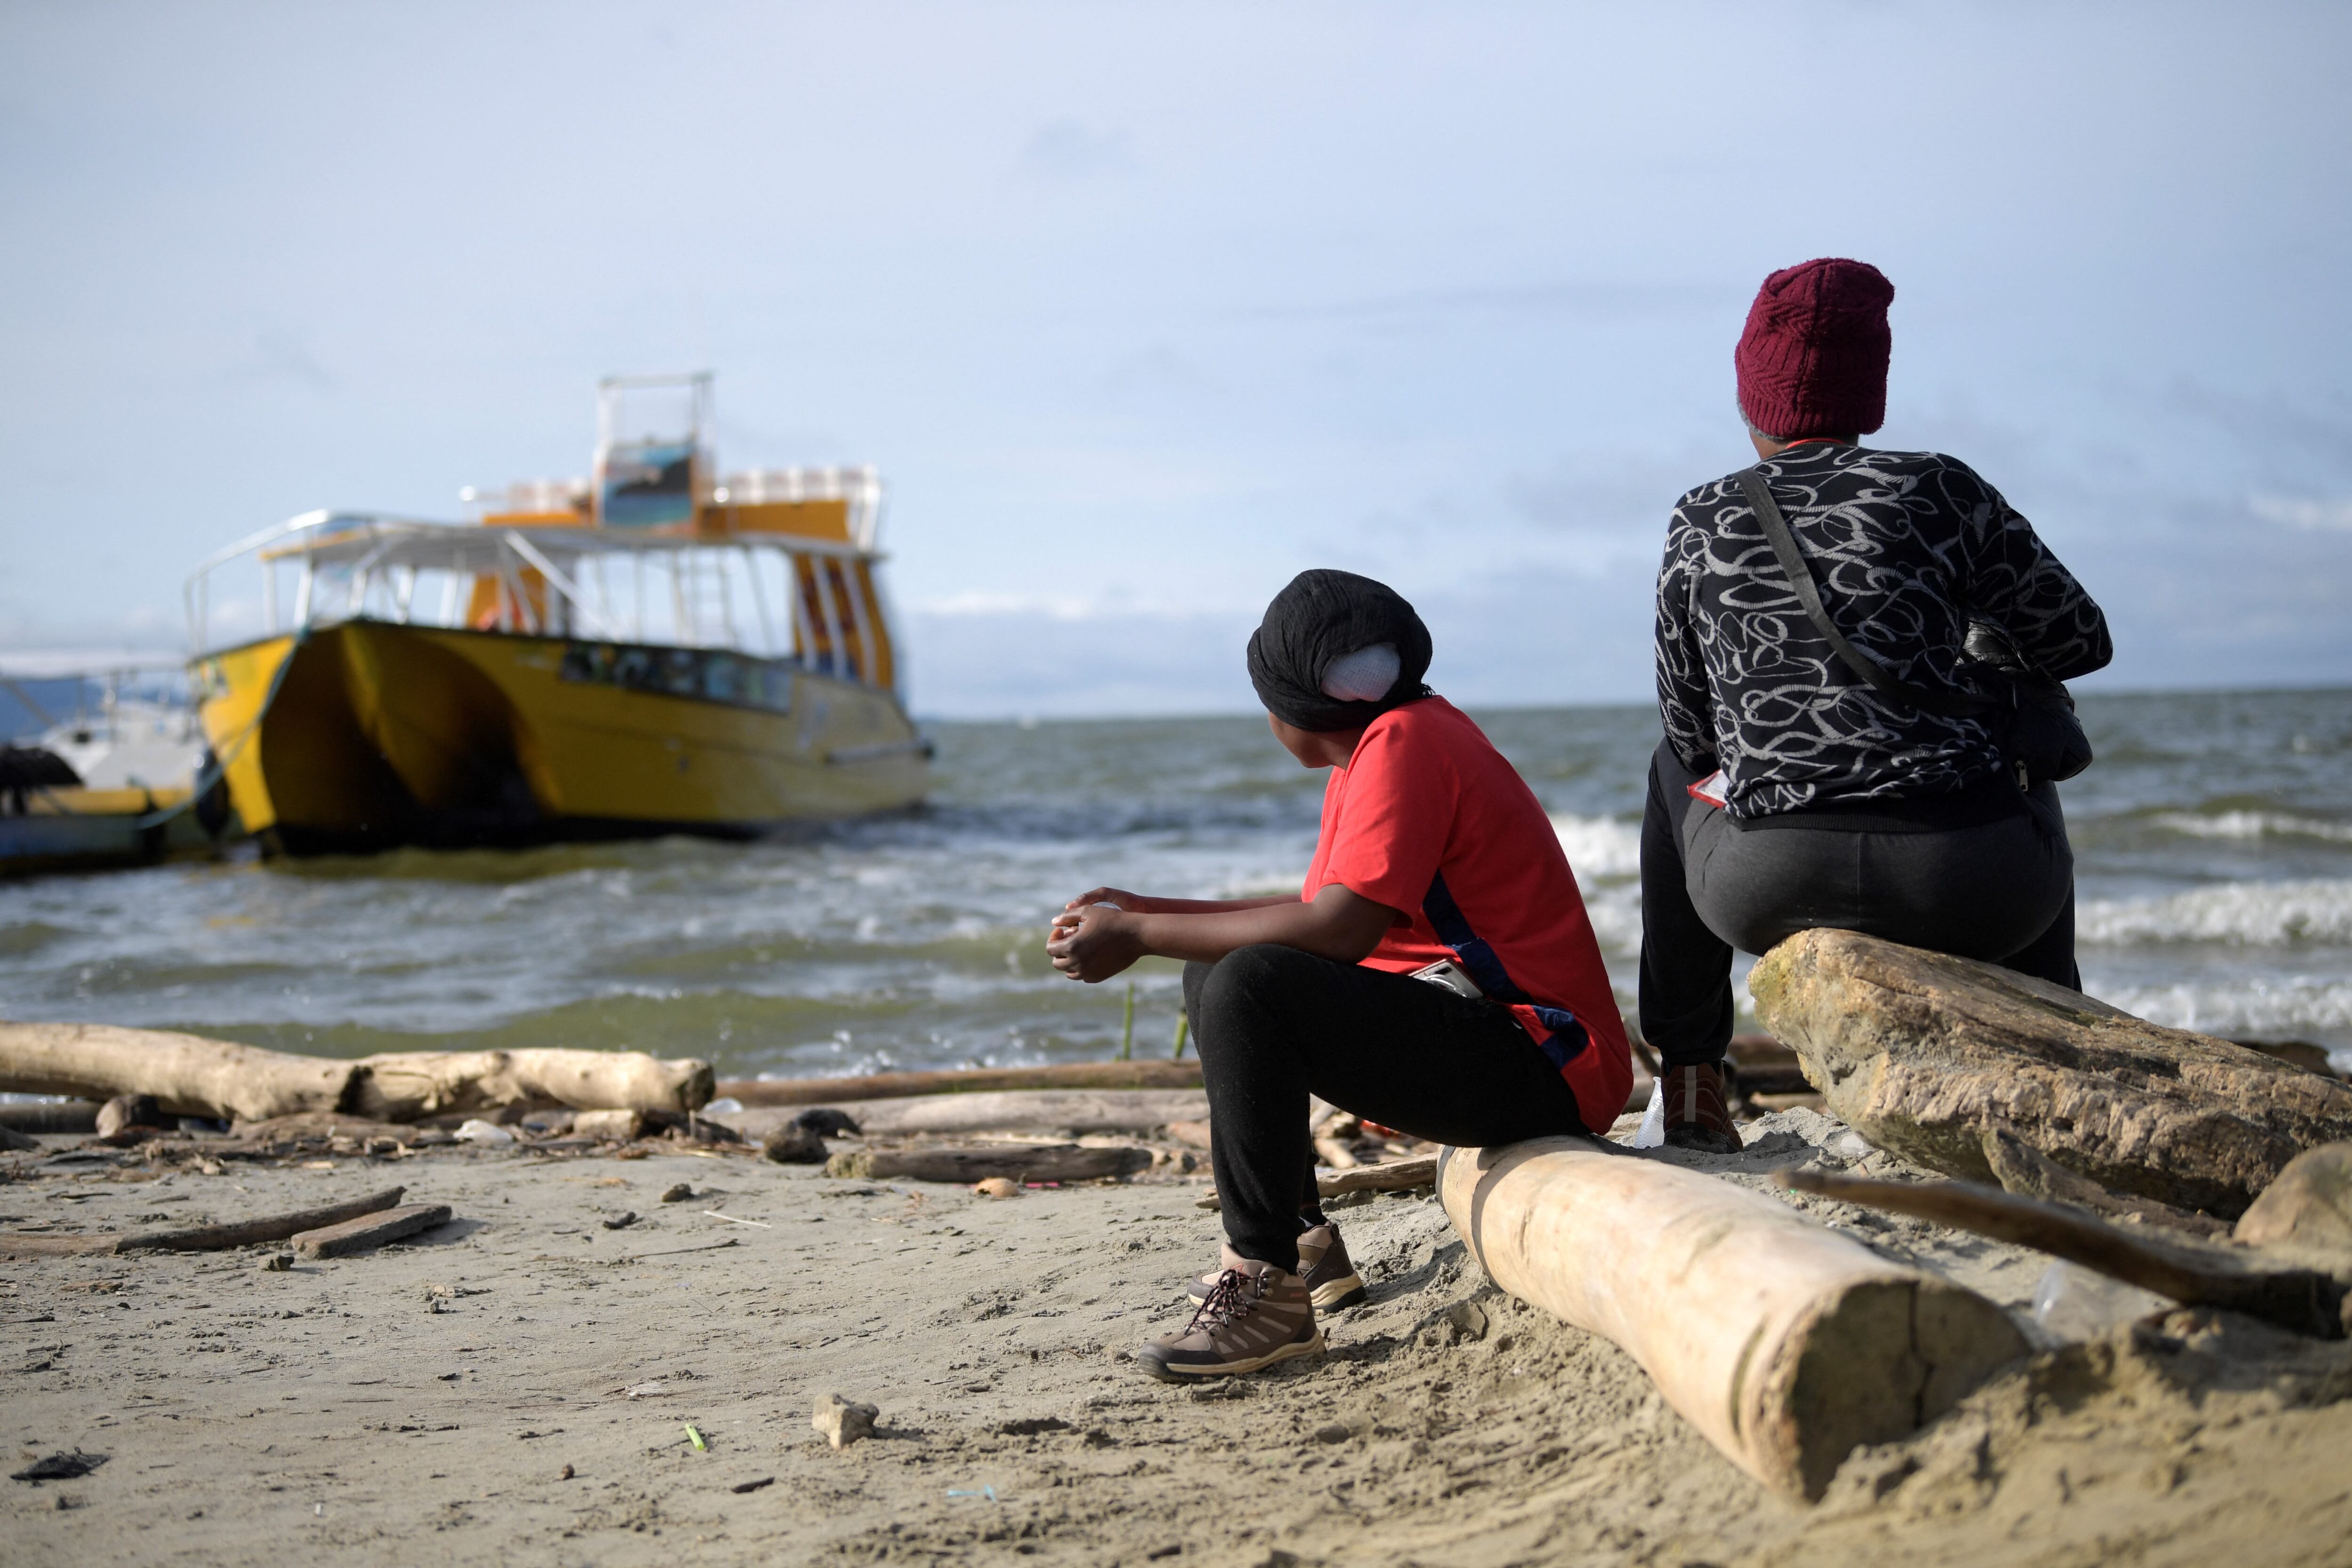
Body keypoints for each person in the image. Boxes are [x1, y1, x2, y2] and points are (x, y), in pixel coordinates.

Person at [1048, 570, 1631, 1381]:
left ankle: (1266, 1285)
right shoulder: (1384, 745)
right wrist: (1151, 910)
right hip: (1488, 1030)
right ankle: (1302, 1246)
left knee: (1250, 983)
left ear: (1289, 707)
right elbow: (1324, 909)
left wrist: (1141, 932)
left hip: (1546, 1057)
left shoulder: (1405, 744)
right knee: (1217, 970)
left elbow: (1341, 929)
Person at [1643, 257, 2112, 1154]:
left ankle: (1694, 1081)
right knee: (2024, 740)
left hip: (1770, 879)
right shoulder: (1941, 487)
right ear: (1872, 392)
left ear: (1753, 396)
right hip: (1969, 882)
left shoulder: (1701, 518)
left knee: (1668, 768)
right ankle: (2062, 1063)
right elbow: (2081, 640)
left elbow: (1688, 729)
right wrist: (1981, 657)